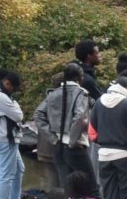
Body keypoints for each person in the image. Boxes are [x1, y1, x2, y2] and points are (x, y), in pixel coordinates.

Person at [34, 64, 96, 192]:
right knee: (91, 186)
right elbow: (80, 118)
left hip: (58, 145)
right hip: (75, 146)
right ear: (79, 77)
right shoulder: (81, 93)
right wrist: (72, 141)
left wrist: (52, 137)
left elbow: (38, 114)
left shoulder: (53, 94)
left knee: (67, 188)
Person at [0, 71, 27, 199]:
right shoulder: (2, 97)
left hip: (7, 138)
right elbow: (18, 116)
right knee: (6, 173)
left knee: (19, 170)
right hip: (5, 139)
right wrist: (15, 105)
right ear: (7, 83)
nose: (13, 91)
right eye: (13, 88)